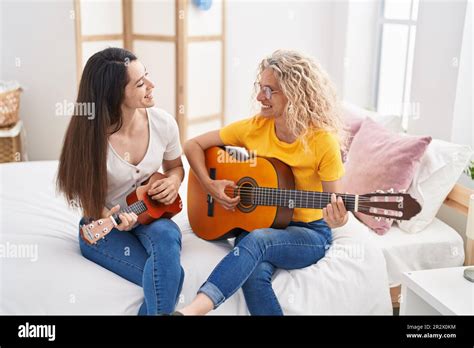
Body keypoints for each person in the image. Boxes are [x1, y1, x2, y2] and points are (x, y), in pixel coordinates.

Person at [181, 49, 348, 315]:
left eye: (270, 90)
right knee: (253, 273)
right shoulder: (255, 128)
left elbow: (333, 206)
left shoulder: (322, 141)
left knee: (258, 241)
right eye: (261, 88)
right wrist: (209, 184)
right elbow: (193, 145)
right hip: (260, 221)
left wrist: (338, 219)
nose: (260, 97)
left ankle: (193, 310)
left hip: (309, 233)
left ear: (295, 94)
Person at [56, 47, 185, 315]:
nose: (151, 85)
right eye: (140, 83)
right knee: (169, 280)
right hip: (105, 226)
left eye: (146, 76)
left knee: (168, 236)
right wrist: (112, 217)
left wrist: (173, 181)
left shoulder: (163, 123)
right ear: (115, 95)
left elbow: (175, 168)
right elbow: (87, 203)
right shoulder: (89, 138)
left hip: (150, 217)